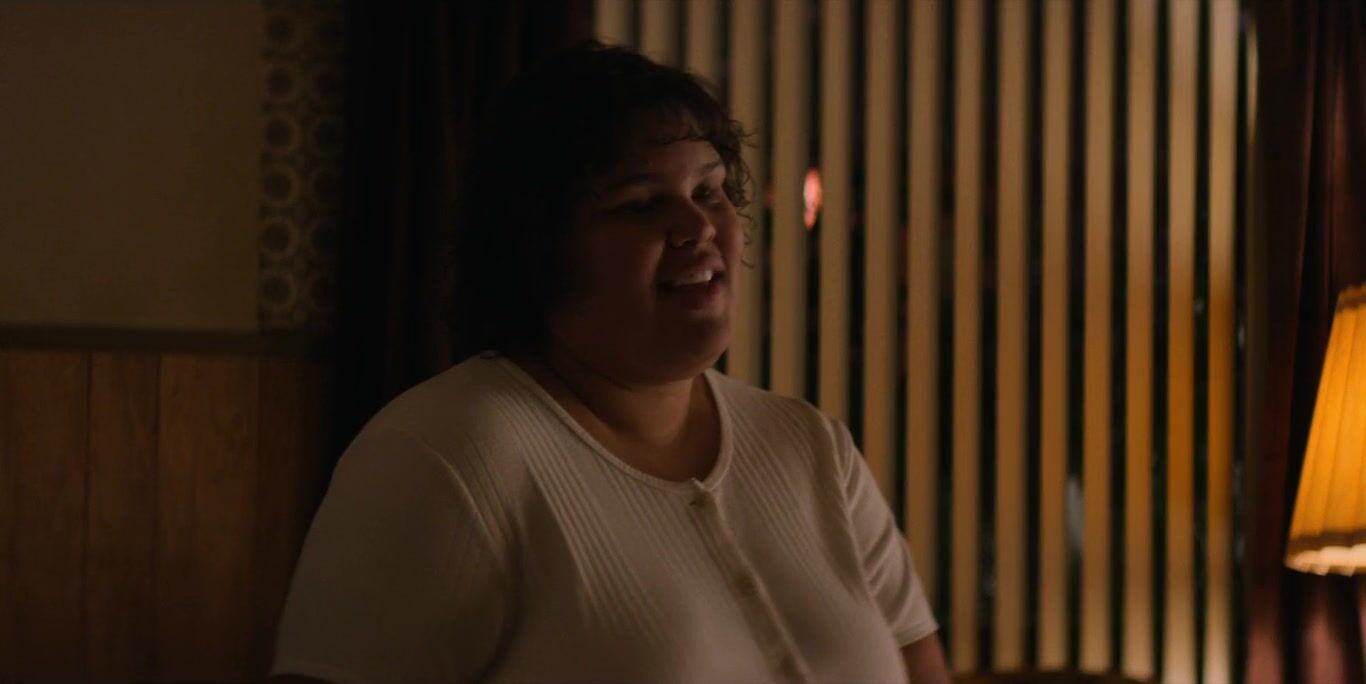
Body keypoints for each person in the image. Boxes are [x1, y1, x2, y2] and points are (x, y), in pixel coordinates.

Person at [271, 42, 950, 684]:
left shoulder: (810, 448)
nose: (696, 227)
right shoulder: (443, 456)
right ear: (540, 249)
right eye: (642, 204)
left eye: (709, 192)